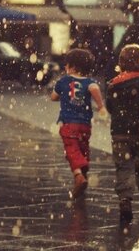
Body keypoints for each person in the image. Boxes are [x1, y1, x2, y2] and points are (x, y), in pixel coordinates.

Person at [106, 43, 139, 225]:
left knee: (123, 167)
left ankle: (125, 201)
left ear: (121, 65)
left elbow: (110, 107)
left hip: (119, 134)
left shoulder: (113, 84)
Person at [51, 48, 106, 199]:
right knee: (83, 146)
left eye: (66, 65)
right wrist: (101, 106)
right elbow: (94, 89)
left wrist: (60, 93)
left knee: (71, 149)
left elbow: (53, 97)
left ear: (72, 67)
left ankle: (79, 175)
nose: (65, 68)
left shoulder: (63, 81)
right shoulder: (89, 82)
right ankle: (84, 167)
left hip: (68, 124)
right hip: (85, 125)